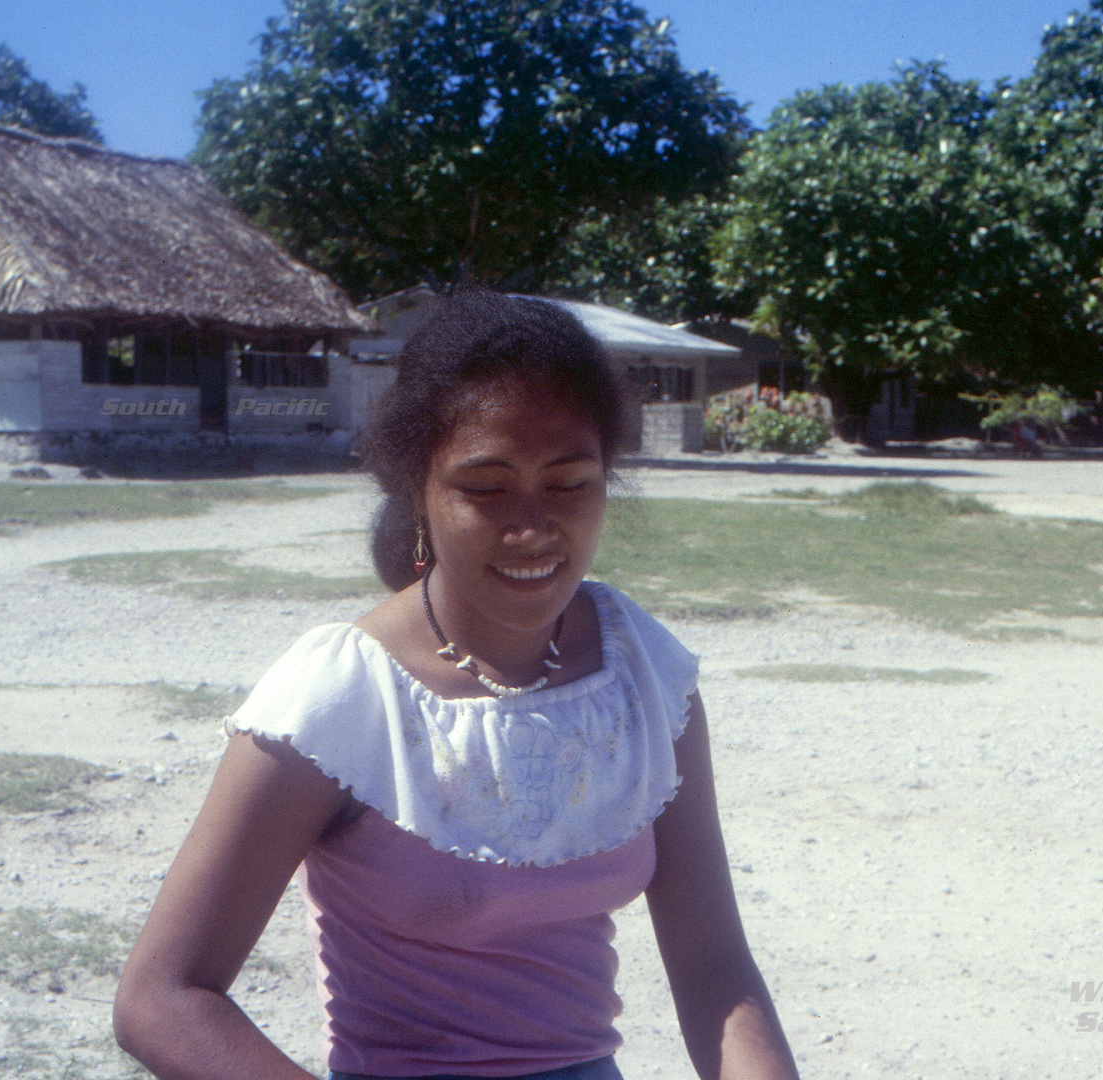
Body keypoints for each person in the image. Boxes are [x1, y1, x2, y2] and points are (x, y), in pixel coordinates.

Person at [113, 290, 800, 1080]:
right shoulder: (341, 698)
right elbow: (162, 997)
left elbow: (714, 965)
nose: (534, 525)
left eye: (571, 481)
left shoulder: (643, 676)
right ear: (420, 488)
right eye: (486, 485)